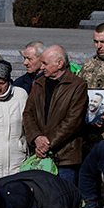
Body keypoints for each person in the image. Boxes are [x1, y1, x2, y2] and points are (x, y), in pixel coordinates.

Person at [21, 45, 88, 185]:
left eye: (45, 63)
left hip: (65, 158)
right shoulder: (39, 84)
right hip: (40, 154)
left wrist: (47, 144)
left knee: (64, 199)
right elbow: (28, 113)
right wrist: (36, 138)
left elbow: (73, 121)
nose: (41, 66)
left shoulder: (77, 85)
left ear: (59, 63)